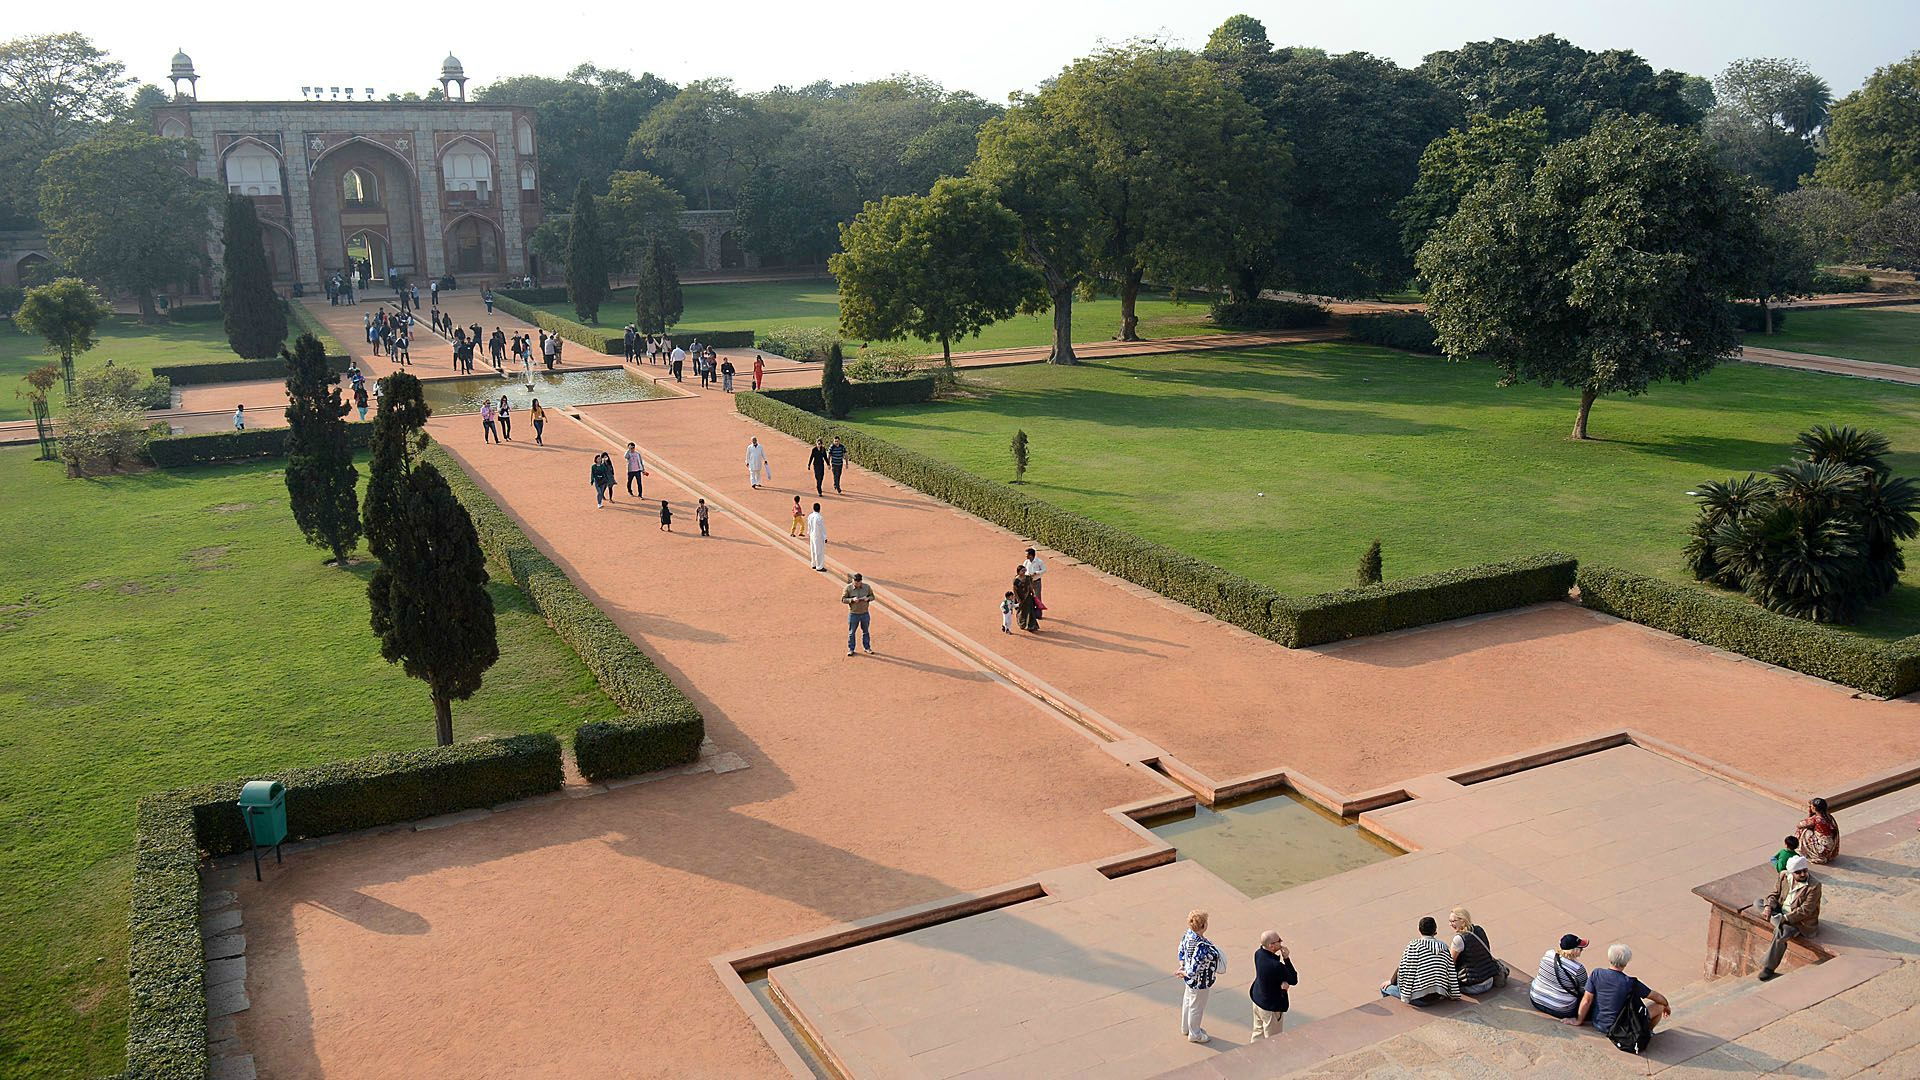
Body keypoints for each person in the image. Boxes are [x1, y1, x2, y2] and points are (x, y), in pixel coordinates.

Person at [1573, 944, 1669, 1041]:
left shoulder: (1597, 973)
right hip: (1620, 1028)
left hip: (1598, 1023)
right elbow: (1655, 996)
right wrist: (1666, 1005)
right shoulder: (1630, 982)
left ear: (1609, 958)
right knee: (1659, 1006)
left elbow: (1586, 1001)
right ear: (1626, 962)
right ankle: (1647, 1033)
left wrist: (1579, 1021)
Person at [1757, 856, 1822, 981]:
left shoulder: (1814, 886)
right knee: (1758, 903)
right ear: (1792, 872)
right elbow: (1774, 894)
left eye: (1805, 870)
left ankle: (1769, 967)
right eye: (1798, 872)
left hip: (1799, 921)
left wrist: (1785, 918)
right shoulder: (1784, 876)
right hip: (1781, 910)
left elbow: (1806, 910)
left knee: (1781, 934)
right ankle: (1775, 919)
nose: (1803, 874)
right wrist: (1768, 907)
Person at [1381, 917, 1459, 1006]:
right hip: (1439, 995)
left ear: (1419, 929)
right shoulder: (1444, 947)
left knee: (1385, 988)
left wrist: (1403, 993)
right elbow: (1451, 971)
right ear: (1435, 930)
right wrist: (1454, 993)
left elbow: (1405, 971)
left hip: (1420, 999)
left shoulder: (1414, 946)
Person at [1176, 909, 1223, 1044]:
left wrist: (1182, 965)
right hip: (1200, 981)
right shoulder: (1202, 946)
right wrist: (1184, 972)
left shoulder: (1188, 935)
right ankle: (1195, 1033)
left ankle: (1185, 1028)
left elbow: (1181, 950)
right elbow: (1193, 970)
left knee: (1187, 1002)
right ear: (1203, 926)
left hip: (1189, 981)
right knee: (1196, 1007)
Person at [1249, 930, 1298, 1040]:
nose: (1281, 942)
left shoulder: (1258, 953)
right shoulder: (1276, 966)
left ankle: (1253, 1053)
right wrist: (1286, 959)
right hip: (1270, 1007)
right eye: (1279, 941)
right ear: (1271, 946)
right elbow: (1293, 979)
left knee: (1258, 1032)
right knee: (1273, 1038)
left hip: (1258, 999)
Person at [1529, 934, 1590, 1020]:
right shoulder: (1578, 969)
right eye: (1581, 948)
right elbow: (1583, 990)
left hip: (1536, 999)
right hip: (1561, 1010)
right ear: (1575, 951)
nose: (1582, 950)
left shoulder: (1548, 954)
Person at [1447, 908, 1502, 995]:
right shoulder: (1479, 929)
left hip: (1473, 986)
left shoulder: (1459, 939)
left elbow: (1451, 963)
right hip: (1489, 981)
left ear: (1463, 920)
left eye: (1453, 921)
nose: (1450, 924)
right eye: (1450, 921)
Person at [1796, 798, 1840, 864]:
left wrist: (1810, 813)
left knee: (1804, 831)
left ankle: (1806, 852)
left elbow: (1799, 825)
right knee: (1809, 828)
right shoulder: (1829, 817)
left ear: (1814, 808)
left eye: (1811, 806)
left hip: (1822, 849)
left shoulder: (1816, 819)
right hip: (1831, 847)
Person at [842, 572, 874, 655]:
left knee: (866, 631)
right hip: (854, 614)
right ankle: (851, 649)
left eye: (859, 582)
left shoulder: (867, 587)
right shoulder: (848, 588)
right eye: (855, 582)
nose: (857, 583)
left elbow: (872, 596)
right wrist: (852, 600)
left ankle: (867, 648)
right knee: (852, 633)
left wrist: (868, 598)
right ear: (853, 580)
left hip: (864, 613)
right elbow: (843, 599)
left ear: (861, 581)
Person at [1013, 568, 1039, 633]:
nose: (1024, 572)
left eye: (1024, 571)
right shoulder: (1016, 580)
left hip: (1028, 597)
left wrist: (1032, 593)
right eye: (1022, 571)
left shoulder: (1027, 578)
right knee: (1022, 611)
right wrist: (1018, 599)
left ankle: (1032, 626)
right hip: (1020, 598)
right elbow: (1015, 590)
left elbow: (1030, 586)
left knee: (1030, 610)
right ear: (1018, 572)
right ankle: (1022, 623)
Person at [807, 503, 826, 571]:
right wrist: (825, 537)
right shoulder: (819, 517)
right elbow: (822, 528)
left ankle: (813, 564)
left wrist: (808, 532)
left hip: (812, 535)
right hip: (818, 536)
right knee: (819, 551)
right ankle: (819, 566)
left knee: (813, 550)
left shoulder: (810, 516)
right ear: (819, 509)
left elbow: (809, 525)